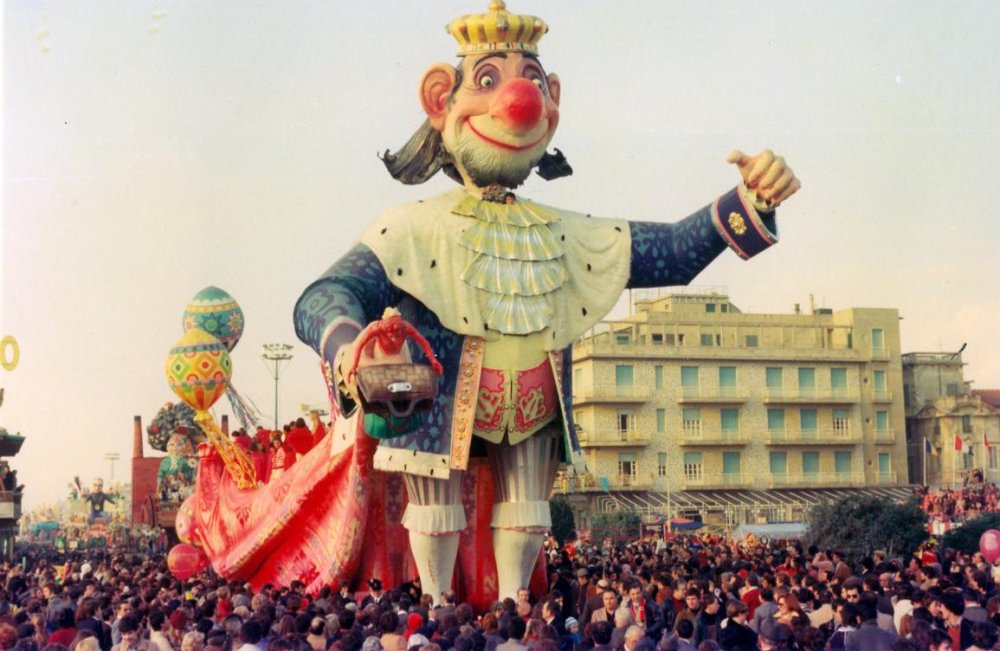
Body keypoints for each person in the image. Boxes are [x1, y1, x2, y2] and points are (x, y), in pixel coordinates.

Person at [291, 0, 799, 602]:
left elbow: (676, 252)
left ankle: (515, 605)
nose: (519, 98)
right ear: (439, 100)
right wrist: (350, 347)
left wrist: (750, 200)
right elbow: (324, 295)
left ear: (552, 101)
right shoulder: (408, 227)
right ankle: (435, 604)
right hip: (436, 405)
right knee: (434, 505)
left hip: (535, 404)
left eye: (533, 81)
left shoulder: (571, 233)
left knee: (528, 508)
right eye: (488, 80)